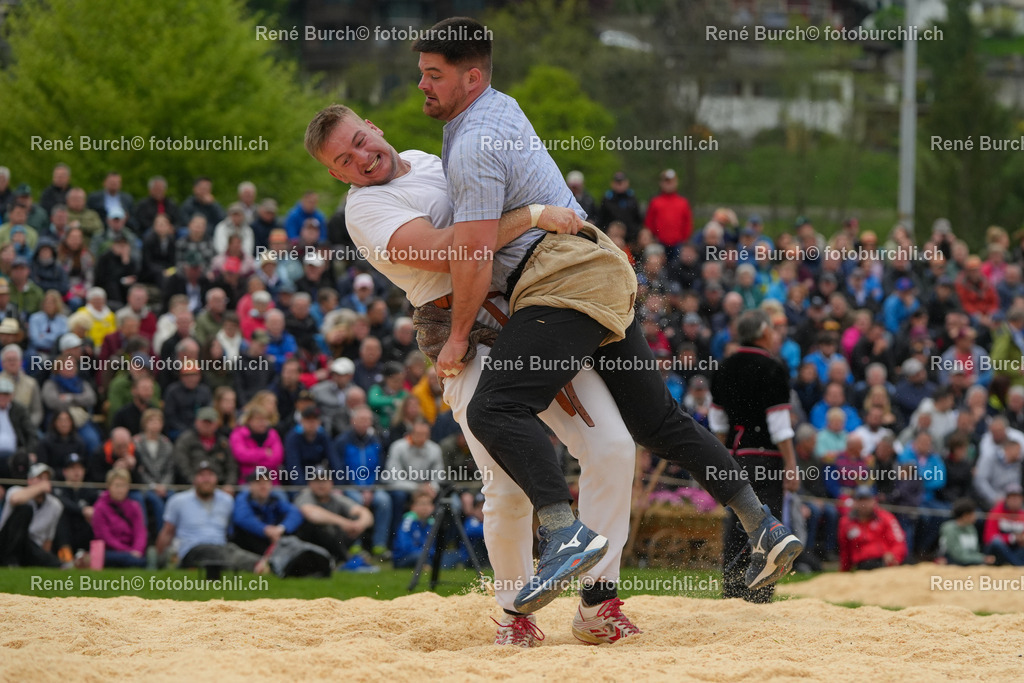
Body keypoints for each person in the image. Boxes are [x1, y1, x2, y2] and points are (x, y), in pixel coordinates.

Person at [711, 309, 801, 602]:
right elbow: (779, 426)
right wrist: (791, 464)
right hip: (767, 459)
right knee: (767, 524)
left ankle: (733, 591)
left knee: (737, 522)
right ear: (764, 332)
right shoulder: (774, 367)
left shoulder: (723, 367)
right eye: (773, 331)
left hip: (736, 456)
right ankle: (759, 595)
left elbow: (719, 425)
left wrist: (722, 463)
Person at [157, 460, 265, 572]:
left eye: (210, 475)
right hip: (191, 550)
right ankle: (256, 566)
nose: (206, 479)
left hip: (221, 546)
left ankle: (261, 563)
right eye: (202, 475)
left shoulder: (227, 501)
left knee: (230, 550)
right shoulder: (178, 501)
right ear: (195, 479)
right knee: (212, 552)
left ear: (216, 478)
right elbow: (167, 532)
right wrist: (159, 558)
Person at [294, 466, 374, 567]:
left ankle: (340, 559)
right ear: (310, 484)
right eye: (317, 481)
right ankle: (345, 559)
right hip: (310, 542)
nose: (321, 484)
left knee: (355, 519)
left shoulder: (336, 498)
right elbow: (311, 513)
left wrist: (358, 525)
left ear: (331, 483)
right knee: (321, 526)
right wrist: (343, 522)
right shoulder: (305, 496)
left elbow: (366, 514)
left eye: (324, 480)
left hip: (334, 541)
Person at [0, 463, 63, 567]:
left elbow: (48, 539)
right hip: (6, 543)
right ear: (29, 480)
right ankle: (10, 561)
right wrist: (39, 488)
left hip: (30, 547)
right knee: (25, 509)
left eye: (46, 478)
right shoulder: (16, 490)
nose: (43, 482)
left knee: (55, 564)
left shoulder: (55, 505)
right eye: (39, 478)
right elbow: (15, 499)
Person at [231, 472, 305, 556]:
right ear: (250, 486)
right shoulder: (243, 498)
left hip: (273, 537)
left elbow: (295, 513)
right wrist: (265, 530)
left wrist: (281, 529)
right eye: (258, 483)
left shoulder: (275, 498)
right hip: (253, 540)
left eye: (266, 482)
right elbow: (241, 518)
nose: (263, 486)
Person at [838, 486, 908, 571]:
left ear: (874, 501)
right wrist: (844, 570)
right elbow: (845, 551)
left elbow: (899, 541)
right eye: (860, 500)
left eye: (867, 500)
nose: (864, 504)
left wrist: (894, 555)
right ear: (855, 502)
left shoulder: (886, 517)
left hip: (884, 563)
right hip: (862, 565)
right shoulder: (846, 523)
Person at [91, 468, 148, 568]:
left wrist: (137, 550)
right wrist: (129, 552)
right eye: (117, 486)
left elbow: (140, 532)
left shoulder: (134, 506)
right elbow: (105, 537)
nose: (120, 490)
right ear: (109, 486)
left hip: (132, 551)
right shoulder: (100, 508)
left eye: (123, 486)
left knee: (135, 558)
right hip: (110, 551)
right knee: (129, 560)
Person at [939, 498, 995, 566]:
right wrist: (982, 559)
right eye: (973, 514)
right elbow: (957, 555)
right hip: (953, 561)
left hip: (968, 561)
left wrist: (982, 558)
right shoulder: (949, 528)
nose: (975, 516)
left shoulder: (971, 528)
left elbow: (975, 551)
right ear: (965, 515)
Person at [982, 485, 1024, 566]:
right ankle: (1017, 565)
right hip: (1000, 550)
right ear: (1006, 499)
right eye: (1012, 497)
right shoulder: (996, 512)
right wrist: (1013, 538)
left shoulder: (1022, 514)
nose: (1015, 500)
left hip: (1016, 549)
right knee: (997, 542)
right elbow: (989, 537)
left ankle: (1015, 563)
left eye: (1017, 497)